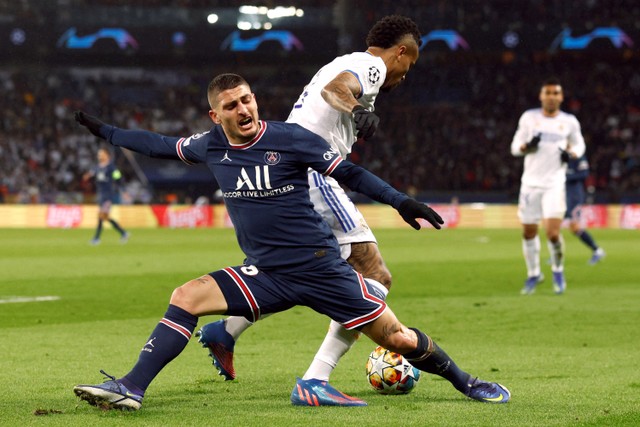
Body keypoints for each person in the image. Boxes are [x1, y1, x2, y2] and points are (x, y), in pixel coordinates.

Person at [72, 73, 510, 411]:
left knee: (396, 338)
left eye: (247, 99)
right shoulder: (211, 146)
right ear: (216, 115)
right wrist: (107, 132)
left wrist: (400, 201)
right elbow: (157, 145)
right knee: (186, 296)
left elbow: (350, 174)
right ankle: (131, 387)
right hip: (265, 273)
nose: (243, 108)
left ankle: (467, 382)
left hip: (320, 268)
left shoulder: (291, 140)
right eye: (231, 105)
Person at [196, 14, 424, 406]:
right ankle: (316, 378)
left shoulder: (344, 60)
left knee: (299, 272)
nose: (406, 75)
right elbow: (335, 92)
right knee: (375, 275)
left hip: (289, 165)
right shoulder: (370, 66)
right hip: (314, 172)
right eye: (411, 63)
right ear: (400, 52)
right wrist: (356, 109)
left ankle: (227, 330)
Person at [511, 77, 586, 295]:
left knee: (553, 233)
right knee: (528, 232)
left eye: (556, 93)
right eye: (548, 93)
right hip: (530, 185)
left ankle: (558, 270)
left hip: (554, 184)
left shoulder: (569, 121)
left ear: (561, 97)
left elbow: (580, 144)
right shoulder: (529, 118)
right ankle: (534, 274)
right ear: (541, 96)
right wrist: (526, 146)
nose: (552, 97)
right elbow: (515, 147)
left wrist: (572, 153)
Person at [83, 147, 129, 245]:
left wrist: (123, 191)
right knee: (105, 217)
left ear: (106, 155)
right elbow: (91, 173)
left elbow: (118, 179)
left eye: (101, 154)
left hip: (108, 195)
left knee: (101, 216)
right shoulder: (97, 167)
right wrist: (87, 176)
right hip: (100, 195)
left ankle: (96, 238)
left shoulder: (111, 167)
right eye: (98, 154)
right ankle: (123, 233)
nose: (99, 156)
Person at [565, 154, 605, 264]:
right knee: (554, 222)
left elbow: (584, 173)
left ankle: (597, 250)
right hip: (562, 195)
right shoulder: (559, 156)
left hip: (574, 196)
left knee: (575, 227)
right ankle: (556, 253)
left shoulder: (577, 156)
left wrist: (566, 176)